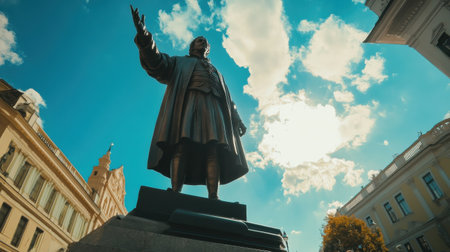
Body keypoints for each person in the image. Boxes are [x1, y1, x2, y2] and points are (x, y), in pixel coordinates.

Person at [131, 5, 248, 199]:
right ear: (192, 47)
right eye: (199, 40)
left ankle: (213, 196)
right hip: (188, 105)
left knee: (214, 149)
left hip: (214, 109)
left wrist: (237, 119)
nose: (203, 42)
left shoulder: (217, 72)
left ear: (208, 50)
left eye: (206, 42)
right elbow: (157, 62)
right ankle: (175, 191)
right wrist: (145, 37)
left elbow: (228, 99)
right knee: (181, 144)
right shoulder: (179, 62)